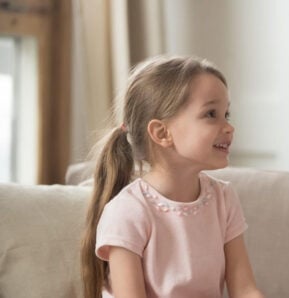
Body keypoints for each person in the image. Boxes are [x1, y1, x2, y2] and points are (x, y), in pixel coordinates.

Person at [80, 55, 264, 298]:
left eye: (226, 114)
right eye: (211, 114)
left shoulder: (223, 198)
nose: (229, 127)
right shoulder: (127, 211)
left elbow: (245, 290)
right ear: (161, 132)